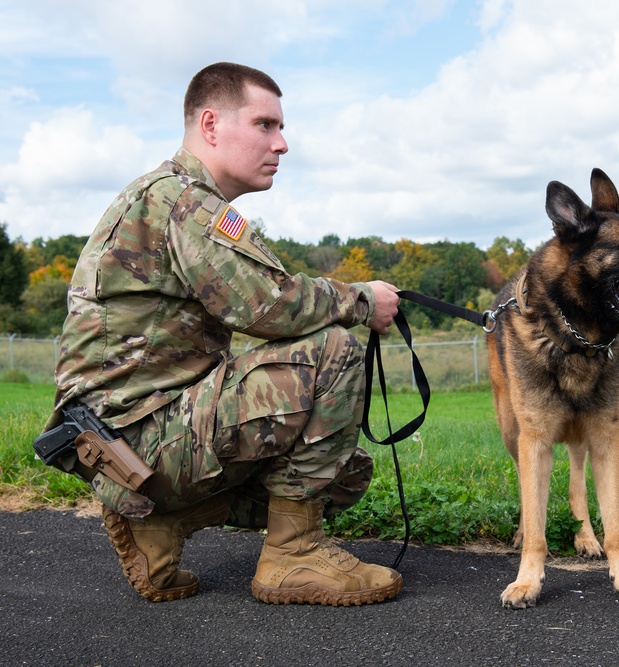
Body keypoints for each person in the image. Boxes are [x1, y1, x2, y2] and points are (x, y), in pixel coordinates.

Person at [45, 62, 403, 606]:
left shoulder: (171, 198)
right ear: (210, 125)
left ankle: (162, 525)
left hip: (130, 444)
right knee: (333, 352)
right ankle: (293, 557)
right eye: (265, 125)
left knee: (345, 472)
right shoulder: (185, 201)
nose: (281, 144)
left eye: (280, 128)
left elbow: (261, 302)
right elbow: (269, 306)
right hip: (138, 442)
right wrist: (360, 299)